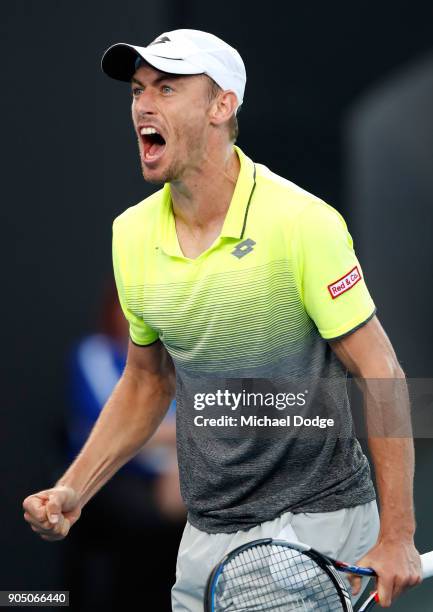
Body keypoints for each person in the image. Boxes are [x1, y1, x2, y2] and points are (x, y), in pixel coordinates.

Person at [23, 29, 421, 610]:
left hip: (316, 526)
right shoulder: (131, 235)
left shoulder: (302, 222)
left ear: (221, 105)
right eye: (138, 90)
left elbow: (381, 373)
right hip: (207, 534)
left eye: (167, 87)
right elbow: (146, 382)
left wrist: (398, 537)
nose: (144, 105)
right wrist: (73, 487)